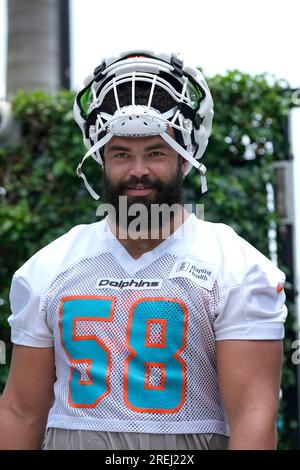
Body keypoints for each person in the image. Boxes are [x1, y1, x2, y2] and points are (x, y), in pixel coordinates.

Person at [0, 51, 287, 450]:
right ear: (100, 158)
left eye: (155, 152)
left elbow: (253, 416)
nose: (138, 170)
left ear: (185, 160)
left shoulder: (237, 267)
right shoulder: (48, 268)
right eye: (121, 154)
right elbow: (21, 410)